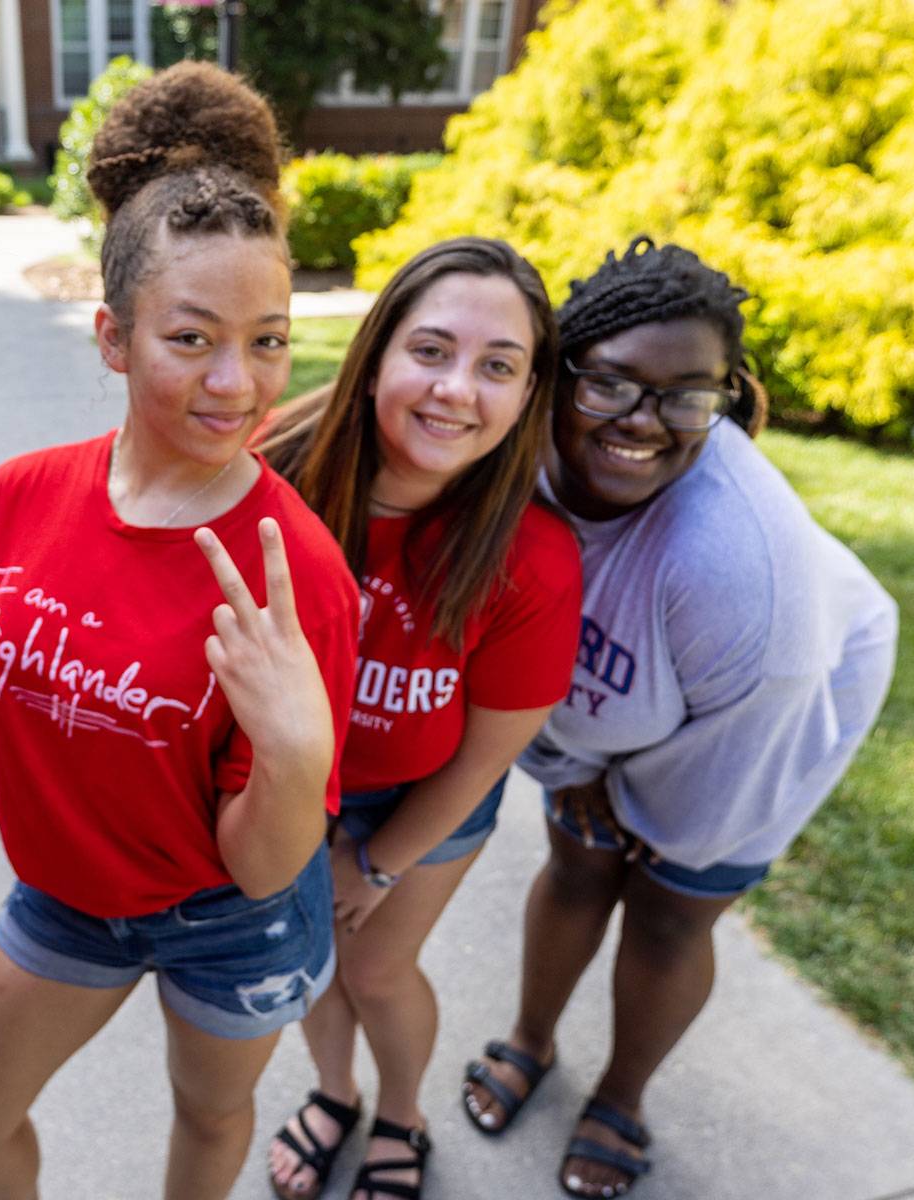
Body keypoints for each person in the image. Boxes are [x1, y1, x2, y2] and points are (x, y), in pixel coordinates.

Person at [0, 62, 360, 1200]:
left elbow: (263, 864)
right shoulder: (24, 492)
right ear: (114, 339)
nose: (237, 383)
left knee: (212, 1121)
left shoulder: (292, 569)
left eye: (268, 341)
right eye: (193, 338)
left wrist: (300, 750)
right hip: (64, 898)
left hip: (229, 920)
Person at [457, 238, 899, 1198]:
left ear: (724, 396)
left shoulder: (742, 573)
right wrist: (574, 773)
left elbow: (711, 775)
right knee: (577, 858)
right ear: (557, 372)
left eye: (686, 397)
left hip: (774, 705)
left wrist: (629, 797)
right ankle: (532, 1041)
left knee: (666, 911)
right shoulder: (504, 446)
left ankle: (621, 1095)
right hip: (635, 684)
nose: (643, 424)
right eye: (610, 386)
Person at [257, 238, 584, 1200]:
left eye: (498, 367)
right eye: (431, 351)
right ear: (376, 359)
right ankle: (334, 1093)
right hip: (285, 788)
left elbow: (488, 759)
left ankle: (401, 1111)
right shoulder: (277, 472)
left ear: (528, 395)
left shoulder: (533, 556)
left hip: (427, 798)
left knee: (379, 969)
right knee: (316, 968)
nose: (456, 390)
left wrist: (379, 859)